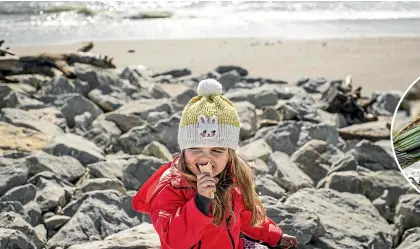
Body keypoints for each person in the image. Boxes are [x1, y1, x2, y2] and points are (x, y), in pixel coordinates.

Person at [132, 79, 298, 249]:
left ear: (230, 154)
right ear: (183, 150)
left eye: (217, 151)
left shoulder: (232, 176)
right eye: (195, 148)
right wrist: (200, 202)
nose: (205, 158)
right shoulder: (171, 186)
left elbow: (247, 216)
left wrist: (275, 236)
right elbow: (174, 241)